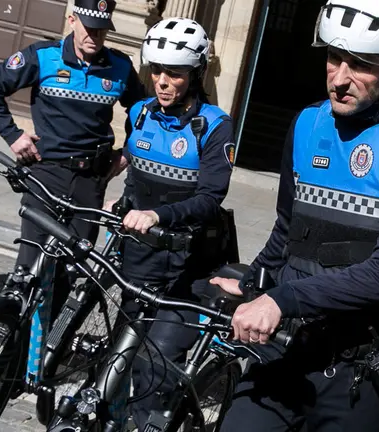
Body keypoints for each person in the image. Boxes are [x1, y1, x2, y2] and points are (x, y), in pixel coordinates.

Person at [209, 0, 379, 430]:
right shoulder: (306, 124)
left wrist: (280, 299)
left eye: (360, 64)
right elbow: (287, 230)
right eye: (334, 57)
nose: (340, 79)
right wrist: (252, 284)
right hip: (283, 352)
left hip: (355, 369)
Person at [103, 17, 236, 431]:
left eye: (174, 73)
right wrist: (119, 200)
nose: (162, 81)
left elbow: (211, 199)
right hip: (136, 258)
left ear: (195, 75)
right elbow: (136, 173)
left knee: (154, 370)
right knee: (116, 363)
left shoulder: (214, 126)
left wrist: (158, 216)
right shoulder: (140, 113)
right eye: (156, 70)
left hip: (187, 268)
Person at [0, 0, 145, 318]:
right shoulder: (42, 56)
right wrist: (14, 135)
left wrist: (128, 152)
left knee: (69, 269)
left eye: (101, 30)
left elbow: (143, 113)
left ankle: (41, 360)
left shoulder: (120, 66)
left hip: (90, 182)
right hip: (46, 176)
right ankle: (8, 349)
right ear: (72, 19)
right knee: (29, 268)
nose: (94, 36)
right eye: (89, 27)